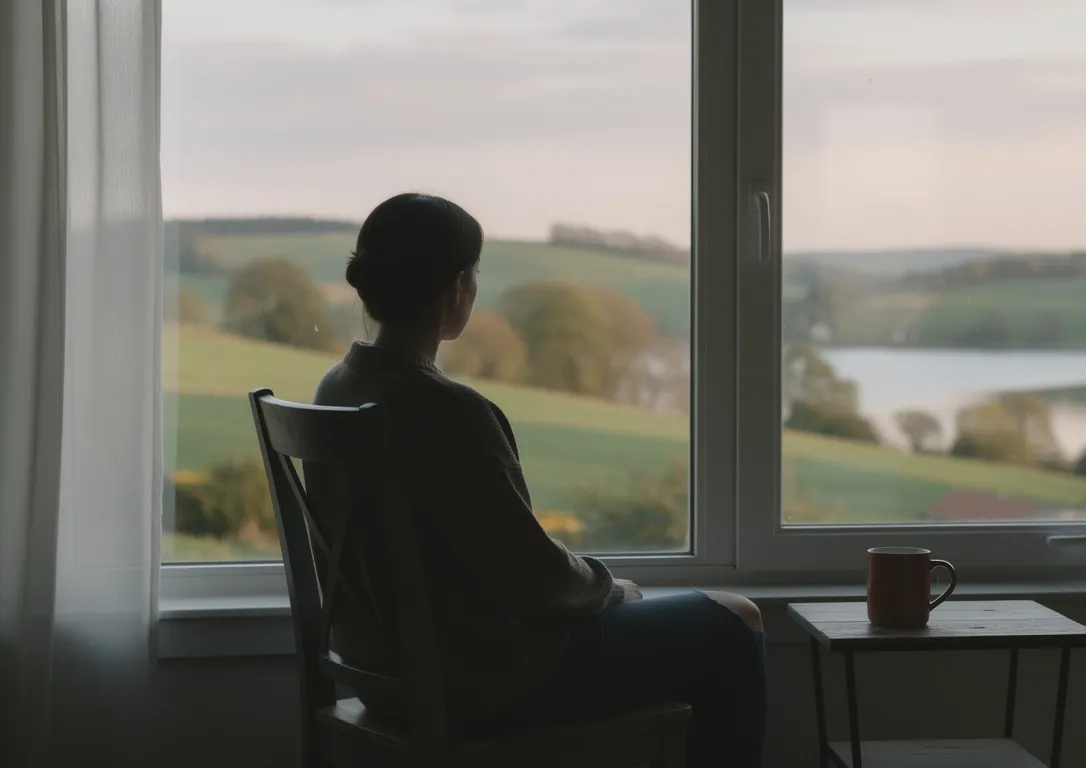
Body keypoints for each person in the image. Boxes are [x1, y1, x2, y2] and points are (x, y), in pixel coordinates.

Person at [312, 192, 767, 767]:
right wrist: (607, 589)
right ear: (457, 287)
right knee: (736, 620)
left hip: (380, 677)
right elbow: (533, 576)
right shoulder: (450, 412)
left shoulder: (337, 388)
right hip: (481, 682)